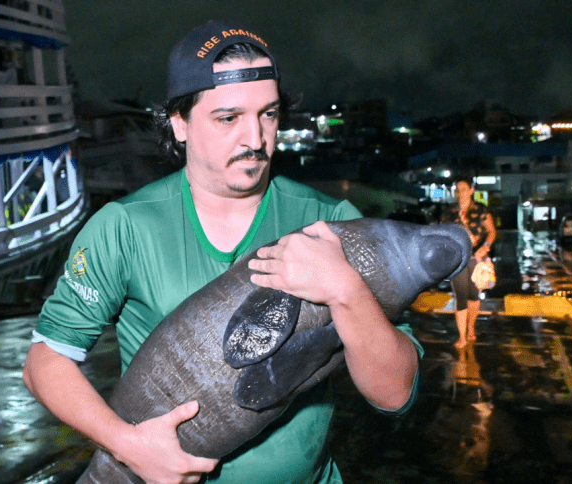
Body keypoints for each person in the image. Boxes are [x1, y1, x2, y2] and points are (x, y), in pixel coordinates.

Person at [23, 20, 422, 484]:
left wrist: (347, 292)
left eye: (268, 115)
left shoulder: (329, 223)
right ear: (180, 122)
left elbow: (395, 394)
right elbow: (45, 362)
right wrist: (128, 446)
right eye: (228, 118)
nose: (255, 140)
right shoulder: (125, 227)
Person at [443, 176, 496, 349]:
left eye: (464, 189)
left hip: (476, 260)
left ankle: (471, 328)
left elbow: (491, 231)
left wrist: (485, 247)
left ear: (472, 191)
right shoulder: (450, 213)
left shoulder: (481, 210)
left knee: (473, 296)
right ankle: (462, 336)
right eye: (457, 190)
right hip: (457, 261)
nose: (460, 193)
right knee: (460, 297)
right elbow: (442, 234)